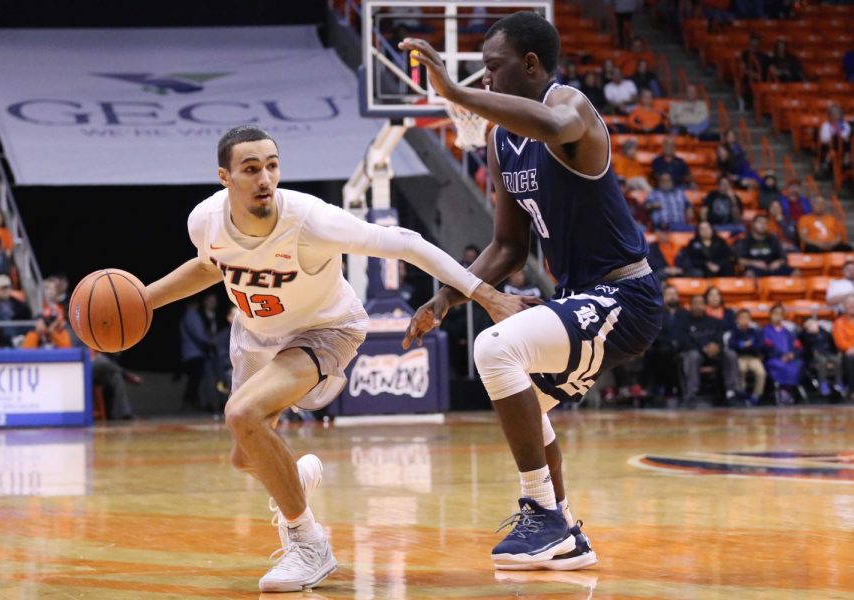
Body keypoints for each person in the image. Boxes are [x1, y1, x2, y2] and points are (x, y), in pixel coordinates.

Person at [145, 124, 520, 591]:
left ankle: (310, 545)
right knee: (245, 457)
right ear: (225, 177)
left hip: (324, 330)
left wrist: (485, 294)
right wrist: (144, 299)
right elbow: (209, 265)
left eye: (272, 166)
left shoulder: (309, 220)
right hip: (255, 336)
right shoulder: (204, 220)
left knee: (242, 413)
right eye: (250, 169)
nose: (264, 178)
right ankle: (295, 480)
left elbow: (405, 241)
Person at [400, 11, 662, 572]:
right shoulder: (501, 141)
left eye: (493, 68)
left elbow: (553, 126)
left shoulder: (572, 108)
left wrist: (451, 90)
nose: (486, 80)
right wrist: (445, 298)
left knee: (496, 349)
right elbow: (506, 247)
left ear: (531, 64)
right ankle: (564, 531)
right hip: (581, 299)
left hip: (625, 297)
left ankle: (540, 511)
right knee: (525, 400)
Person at [678, 295, 740, 404]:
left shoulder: (714, 321)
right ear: (690, 306)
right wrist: (704, 348)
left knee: (730, 354)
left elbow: (720, 339)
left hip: (714, 353)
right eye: (695, 304)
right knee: (693, 356)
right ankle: (692, 392)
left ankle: (731, 392)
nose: (698, 306)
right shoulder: (684, 322)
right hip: (696, 353)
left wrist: (716, 346)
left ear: (705, 306)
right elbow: (684, 341)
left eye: (701, 303)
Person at [761, 303, 803, 405]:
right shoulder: (765, 331)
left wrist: (793, 354)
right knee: (779, 365)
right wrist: (781, 356)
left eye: (780, 313)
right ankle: (783, 391)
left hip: (789, 358)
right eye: (775, 313)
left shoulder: (788, 332)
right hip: (774, 358)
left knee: (798, 364)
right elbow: (767, 346)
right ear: (770, 315)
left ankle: (790, 390)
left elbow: (797, 346)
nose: (778, 316)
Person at [727, 309, 765, 405]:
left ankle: (756, 395)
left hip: (753, 358)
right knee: (741, 370)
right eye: (742, 318)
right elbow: (731, 345)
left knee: (761, 372)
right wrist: (744, 345)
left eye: (747, 318)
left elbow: (759, 345)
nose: (744, 320)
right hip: (740, 357)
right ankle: (741, 392)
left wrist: (745, 346)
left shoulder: (754, 331)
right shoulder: (734, 332)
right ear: (737, 320)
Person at [800, 318, 842, 398]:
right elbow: (806, 347)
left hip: (829, 352)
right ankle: (823, 382)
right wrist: (809, 333)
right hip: (816, 355)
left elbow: (832, 343)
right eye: (808, 325)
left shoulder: (824, 332)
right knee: (822, 361)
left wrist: (835, 352)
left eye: (812, 323)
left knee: (838, 359)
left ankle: (838, 381)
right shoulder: (805, 335)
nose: (811, 326)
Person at [833, 296, 854, 402]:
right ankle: (852, 391)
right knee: (851, 359)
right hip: (846, 353)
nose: (852, 305)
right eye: (849, 303)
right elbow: (840, 342)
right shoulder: (839, 322)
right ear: (844, 306)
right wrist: (849, 349)